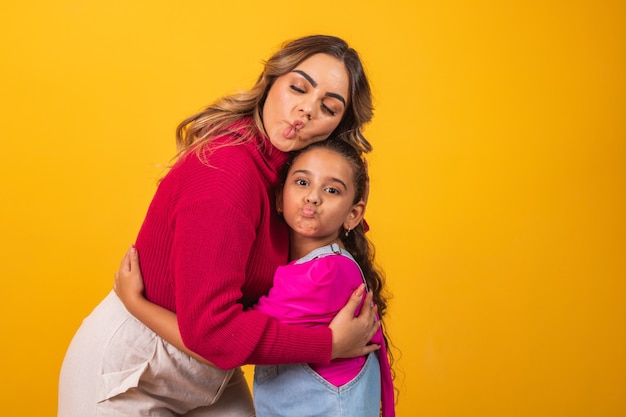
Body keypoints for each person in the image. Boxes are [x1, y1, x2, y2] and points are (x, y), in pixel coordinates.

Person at [58, 34, 380, 417]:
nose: (307, 110)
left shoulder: (295, 183)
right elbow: (210, 331)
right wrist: (327, 344)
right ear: (270, 82)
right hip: (132, 371)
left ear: (336, 126)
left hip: (213, 370)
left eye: (328, 107)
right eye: (297, 87)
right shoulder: (228, 172)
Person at [115, 139, 395, 417]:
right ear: (279, 198)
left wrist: (135, 302)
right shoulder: (320, 265)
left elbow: (218, 338)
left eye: (332, 190)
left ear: (354, 214)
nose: (313, 197)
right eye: (301, 182)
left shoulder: (324, 275)